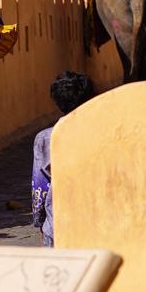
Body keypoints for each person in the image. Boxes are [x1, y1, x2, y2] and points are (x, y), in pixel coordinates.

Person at [32, 71, 94, 247]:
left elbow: (40, 186)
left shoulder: (45, 138)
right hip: (96, 222)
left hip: (58, 222)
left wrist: (39, 221)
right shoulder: (102, 132)